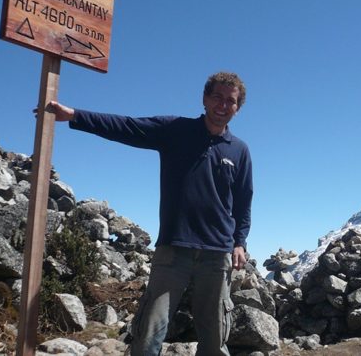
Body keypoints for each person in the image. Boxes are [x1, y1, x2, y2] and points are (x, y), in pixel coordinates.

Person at [46, 71, 253, 356]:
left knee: (215, 337)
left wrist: (240, 241)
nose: (222, 105)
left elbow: (243, 201)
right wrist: (75, 116)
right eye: (217, 97)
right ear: (205, 98)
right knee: (149, 332)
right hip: (173, 249)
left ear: (237, 108)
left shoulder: (240, 151)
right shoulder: (175, 130)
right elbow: (127, 126)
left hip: (217, 254)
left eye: (230, 101)